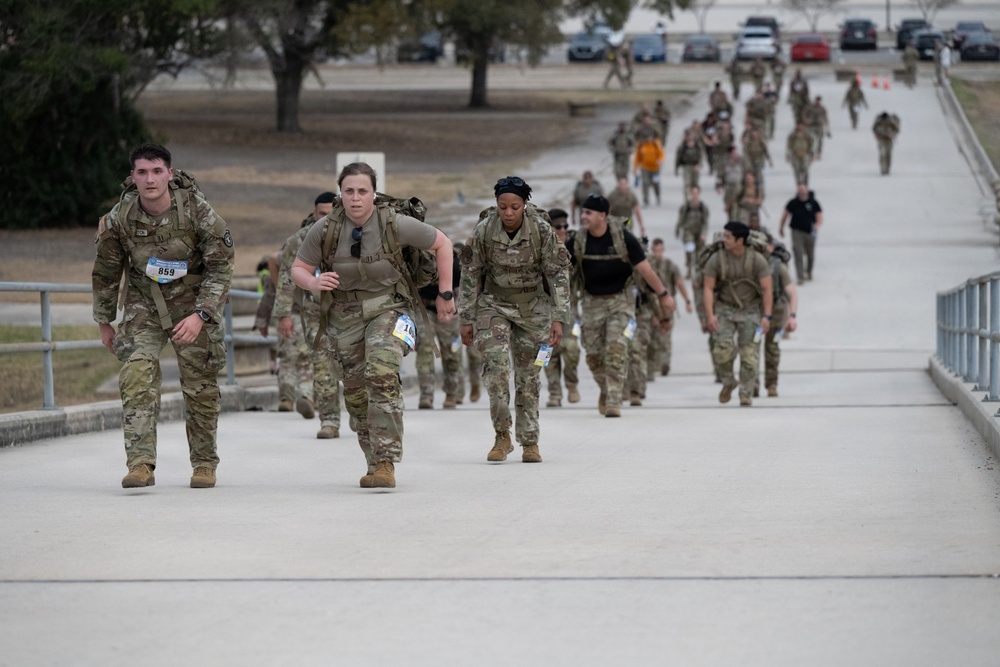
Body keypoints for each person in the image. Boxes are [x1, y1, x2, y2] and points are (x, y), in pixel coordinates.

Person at [291, 162, 455, 489]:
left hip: (389, 308)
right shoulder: (325, 229)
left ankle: (386, 462)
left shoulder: (394, 223)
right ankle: (373, 458)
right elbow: (298, 267)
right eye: (349, 191)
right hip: (344, 316)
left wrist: (445, 294)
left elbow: (443, 244)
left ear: (374, 193)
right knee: (354, 393)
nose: (355, 198)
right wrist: (313, 282)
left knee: (380, 373)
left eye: (362, 191)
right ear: (341, 193)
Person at [92, 143, 234, 489]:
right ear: (133, 177)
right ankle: (140, 463)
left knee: (200, 386)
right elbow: (107, 271)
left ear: (170, 174)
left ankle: (203, 464)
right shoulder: (119, 219)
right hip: (145, 304)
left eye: (157, 171)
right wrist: (104, 321)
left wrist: (201, 314)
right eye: (142, 172)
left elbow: (221, 266)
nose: (150, 179)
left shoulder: (197, 211)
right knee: (136, 373)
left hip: (193, 302)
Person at [459, 177, 571, 463]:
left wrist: (558, 318)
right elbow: (471, 274)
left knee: (529, 375)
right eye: (502, 207)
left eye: (514, 207)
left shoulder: (542, 231)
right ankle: (501, 435)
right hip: (494, 304)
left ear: (524, 205)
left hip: (533, 307)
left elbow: (558, 273)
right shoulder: (484, 229)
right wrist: (467, 318)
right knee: (495, 367)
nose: (508, 213)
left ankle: (530, 441)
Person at [567, 194, 676, 418]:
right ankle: (606, 390)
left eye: (588, 213)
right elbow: (558, 269)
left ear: (602, 215)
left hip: (621, 302)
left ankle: (614, 400)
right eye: (583, 212)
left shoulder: (623, 238)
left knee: (616, 349)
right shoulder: (578, 241)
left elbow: (646, 270)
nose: (583, 216)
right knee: (594, 356)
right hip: (591, 303)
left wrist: (664, 295)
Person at [272, 192, 344, 438]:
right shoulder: (300, 241)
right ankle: (330, 420)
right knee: (322, 366)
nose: (326, 219)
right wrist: (284, 314)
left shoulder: (355, 237)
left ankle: (360, 414)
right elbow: (285, 278)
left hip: (352, 312)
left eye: (331, 214)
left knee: (355, 368)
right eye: (321, 214)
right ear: (314, 213)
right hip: (316, 314)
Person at [702, 221, 773, 407]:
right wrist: (710, 315)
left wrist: (766, 317)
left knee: (749, 355)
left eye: (728, 237)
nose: (724, 240)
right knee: (721, 351)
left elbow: (767, 289)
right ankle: (728, 381)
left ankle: (746, 392)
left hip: (750, 309)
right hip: (725, 308)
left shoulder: (757, 260)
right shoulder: (717, 259)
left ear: (740, 240)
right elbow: (708, 288)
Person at [415, 247, 463, 409]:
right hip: (425, 309)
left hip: (449, 311)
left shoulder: (455, 264)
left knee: (451, 353)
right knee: (425, 350)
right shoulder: (418, 261)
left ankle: (451, 393)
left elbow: (462, 288)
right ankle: (426, 395)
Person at [543, 208, 582, 407]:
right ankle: (554, 392)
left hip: (570, 310)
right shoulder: (540, 249)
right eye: (558, 227)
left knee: (572, 348)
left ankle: (572, 384)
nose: (563, 230)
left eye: (566, 226)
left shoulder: (574, 248)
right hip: (544, 310)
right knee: (545, 352)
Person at [759, 233, 798, 397]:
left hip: (776, 312)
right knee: (750, 350)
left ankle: (771, 384)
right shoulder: (751, 264)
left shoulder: (777, 266)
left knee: (772, 349)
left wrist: (792, 316)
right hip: (754, 311)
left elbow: (791, 293)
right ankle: (751, 385)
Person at [646, 238, 692, 378]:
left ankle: (664, 362)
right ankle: (652, 366)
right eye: (655, 251)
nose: (658, 254)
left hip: (667, 305)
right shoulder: (648, 266)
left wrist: (687, 301)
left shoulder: (670, 266)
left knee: (665, 335)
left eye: (660, 250)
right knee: (652, 336)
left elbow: (680, 283)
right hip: (651, 305)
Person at [778, 182, 823, 284]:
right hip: (796, 231)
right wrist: (781, 227)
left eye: (803, 189)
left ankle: (809, 271)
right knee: (798, 252)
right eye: (799, 190)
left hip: (810, 231)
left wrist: (817, 225)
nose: (801, 192)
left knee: (810, 254)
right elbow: (785, 215)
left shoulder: (813, 203)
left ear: (807, 189)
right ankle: (800, 276)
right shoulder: (793, 203)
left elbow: (819, 216)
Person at [675, 185, 710, 279]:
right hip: (688, 232)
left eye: (696, 193)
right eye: (693, 193)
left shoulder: (703, 207)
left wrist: (704, 233)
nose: (695, 195)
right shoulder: (686, 207)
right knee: (689, 251)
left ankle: (698, 270)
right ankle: (689, 269)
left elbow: (705, 222)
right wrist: (677, 231)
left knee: (700, 253)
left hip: (699, 232)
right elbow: (681, 219)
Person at [633, 131, 665, 206]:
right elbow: (637, 157)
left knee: (656, 183)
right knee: (645, 182)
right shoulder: (641, 145)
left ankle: (657, 196)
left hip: (655, 168)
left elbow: (662, 153)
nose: (647, 139)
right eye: (646, 138)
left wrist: (660, 160)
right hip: (645, 167)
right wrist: (635, 168)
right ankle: (646, 199)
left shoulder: (656, 144)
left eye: (649, 137)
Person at [675, 129, 703, 196]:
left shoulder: (697, 145)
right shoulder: (682, 146)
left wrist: (699, 164)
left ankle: (695, 198)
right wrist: (676, 168)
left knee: (695, 184)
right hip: (686, 166)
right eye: (687, 135)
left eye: (690, 135)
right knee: (687, 183)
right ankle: (687, 199)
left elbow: (701, 156)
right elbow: (678, 157)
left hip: (695, 166)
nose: (689, 137)